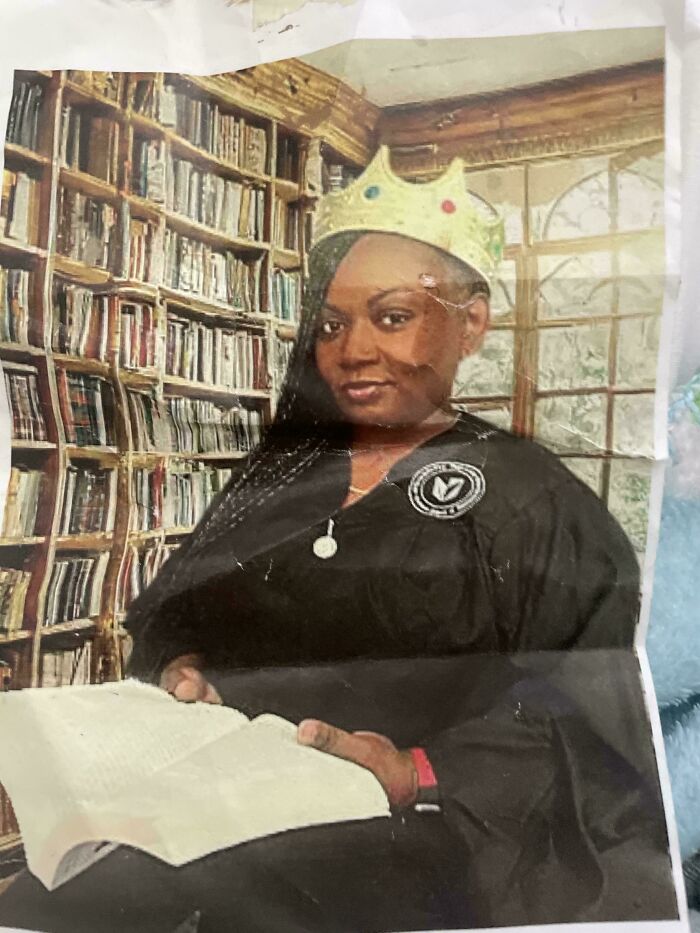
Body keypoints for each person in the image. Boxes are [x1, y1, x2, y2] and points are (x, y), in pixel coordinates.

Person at [0, 147, 678, 932]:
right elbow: (180, 606)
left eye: (392, 316)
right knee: (43, 903)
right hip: (215, 796)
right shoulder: (286, 472)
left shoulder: (536, 500)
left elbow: (594, 712)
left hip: (416, 829)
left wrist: (417, 770)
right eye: (331, 324)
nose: (353, 350)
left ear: (471, 324)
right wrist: (185, 664)